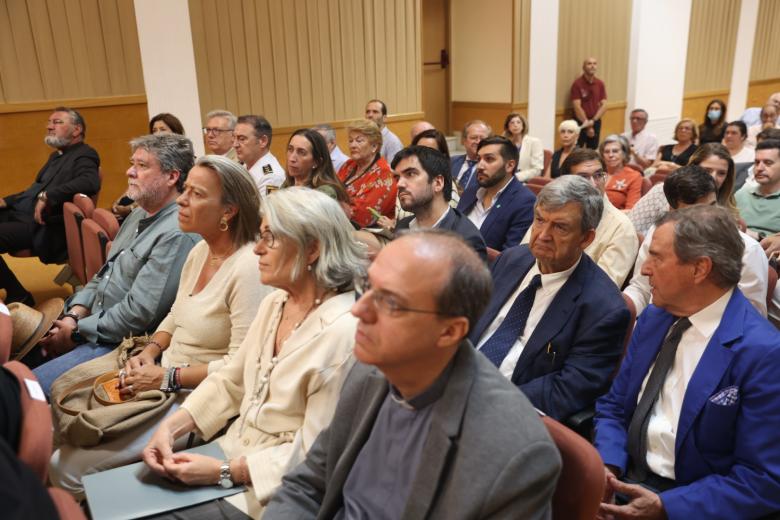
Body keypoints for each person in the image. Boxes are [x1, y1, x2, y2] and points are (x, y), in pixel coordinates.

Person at [265, 230, 561, 519]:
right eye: (367, 285)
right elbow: (308, 484)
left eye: (390, 302)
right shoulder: (371, 369)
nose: (359, 310)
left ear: (449, 331)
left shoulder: (515, 455)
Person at [49, 155, 271, 498]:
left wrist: (167, 377)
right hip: (160, 376)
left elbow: (240, 369)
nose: (181, 200)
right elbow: (175, 314)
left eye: (196, 194)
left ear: (228, 211)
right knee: (59, 414)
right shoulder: (200, 251)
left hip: (197, 397)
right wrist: (151, 351)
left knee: (66, 467)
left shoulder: (248, 270)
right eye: (185, 190)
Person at [141, 187, 366, 518]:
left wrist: (226, 471)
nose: (257, 249)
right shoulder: (276, 302)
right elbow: (231, 380)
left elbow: (316, 451)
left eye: (270, 238)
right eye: (260, 236)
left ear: (313, 248)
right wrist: (171, 428)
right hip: (229, 452)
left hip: (272, 490)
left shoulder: (344, 332)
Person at [594, 205, 780, 519]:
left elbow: (763, 479)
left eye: (656, 257)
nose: (644, 269)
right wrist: (607, 465)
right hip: (624, 475)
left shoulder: (763, 353)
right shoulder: (655, 316)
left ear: (699, 269)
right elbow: (613, 405)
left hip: (691, 501)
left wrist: (668, 507)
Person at [31, 134, 201, 394]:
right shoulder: (138, 213)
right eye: (133, 163)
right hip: (92, 325)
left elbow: (138, 315)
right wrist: (73, 315)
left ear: (172, 177)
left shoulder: (177, 233)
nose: (129, 171)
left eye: (142, 166)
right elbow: (101, 275)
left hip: (120, 345)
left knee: (25, 390)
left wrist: (77, 333)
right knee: (19, 362)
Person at [470, 175, 629, 420]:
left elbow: (566, 391)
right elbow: (469, 321)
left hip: (507, 413)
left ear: (586, 238)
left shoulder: (604, 308)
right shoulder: (512, 259)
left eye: (560, 227)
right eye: (540, 220)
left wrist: (486, 402)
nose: (543, 234)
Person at [623, 165, 768, 318]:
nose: (707, 218)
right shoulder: (659, 233)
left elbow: (750, 315)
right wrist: (624, 309)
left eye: (711, 207)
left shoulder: (747, 250)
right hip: (656, 321)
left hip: (712, 333)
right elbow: (641, 288)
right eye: (695, 213)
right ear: (672, 211)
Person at [0, 107, 100, 306]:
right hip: (21, 215)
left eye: (57, 122)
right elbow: (33, 191)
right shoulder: (56, 156)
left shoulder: (85, 154)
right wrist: (6, 201)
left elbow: (90, 182)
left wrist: (48, 196)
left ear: (77, 129)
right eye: (49, 122)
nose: (49, 126)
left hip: (44, 227)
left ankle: (18, 294)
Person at [522, 148, 639, 287]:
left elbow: (601, 289)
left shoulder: (621, 227)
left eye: (598, 175)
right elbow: (523, 258)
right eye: (583, 177)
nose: (594, 184)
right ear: (565, 181)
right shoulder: (551, 211)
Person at [392, 146, 486, 261]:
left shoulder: (465, 241)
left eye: (410, 174)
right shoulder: (403, 226)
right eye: (397, 178)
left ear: (437, 183)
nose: (399, 184)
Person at [631, 143, 739, 235]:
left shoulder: (728, 207)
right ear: (693, 168)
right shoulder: (661, 192)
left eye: (721, 173)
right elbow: (632, 229)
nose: (714, 177)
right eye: (707, 170)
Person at [457, 136, 536, 252]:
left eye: (489, 159)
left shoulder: (525, 202)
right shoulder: (471, 192)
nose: (480, 166)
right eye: (479, 159)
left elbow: (509, 258)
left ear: (509, 165)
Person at [337, 119, 397, 228]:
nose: (352, 145)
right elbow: (331, 188)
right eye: (350, 141)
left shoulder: (384, 175)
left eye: (359, 141)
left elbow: (362, 216)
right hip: (339, 224)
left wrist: (330, 207)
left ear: (374, 146)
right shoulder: (348, 165)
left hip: (368, 233)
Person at [282, 128, 350, 207]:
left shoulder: (326, 191)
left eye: (301, 152)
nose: (292, 158)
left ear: (317, 162)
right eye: (290, 149)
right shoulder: (288, 184)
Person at [735, 139, 780, 239]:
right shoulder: (741, 194)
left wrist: (758, 237)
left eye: (768, 163)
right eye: (756, 162)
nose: (759, 168)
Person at [233, 114, 285, 196]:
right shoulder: (243, 165)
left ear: (263, 141)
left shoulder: (271, 177)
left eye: (242, 139)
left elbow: (265, 208)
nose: (235, 145)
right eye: (234, 138)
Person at [571, 57, 607, 149]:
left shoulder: (600, 83)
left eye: (594, 64)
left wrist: (593, 121)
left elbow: (604, 105)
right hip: (580, 122)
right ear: (583, 67)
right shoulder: (577, 84)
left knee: (592, 150)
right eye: (589, 64)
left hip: (595, 120)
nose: (592, 66)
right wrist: (587, 124)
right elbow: (577, 107)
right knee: (577, 149)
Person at [600, 134, 643, 210]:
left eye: (615, 151)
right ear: (602, 156)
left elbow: (631, 210)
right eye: (606, 152)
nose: (610, 155)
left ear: (624, 154)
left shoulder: (634, 176)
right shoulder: (596, 174)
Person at [450, 120, 491, 191]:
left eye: (482, 138)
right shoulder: (452, 161)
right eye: (474, 138)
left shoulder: (492, 167)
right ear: (464, 141)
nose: (478, 141)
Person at [503, 112, 544, 181]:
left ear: (523, 125)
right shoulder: (505, 143)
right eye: (512, 123)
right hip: (505, 180)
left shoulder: (534, 142)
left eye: (518, 122)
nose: (515, 125)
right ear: (508, 127)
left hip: (525, 182)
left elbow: (537, 170)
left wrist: (516, 177)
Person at [365, 99, 403, 164]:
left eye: (375, 112)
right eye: (368, 112)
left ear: (384, 118)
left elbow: (394, 171)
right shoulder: (364, 138)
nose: (370, 115)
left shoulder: (392, 142)